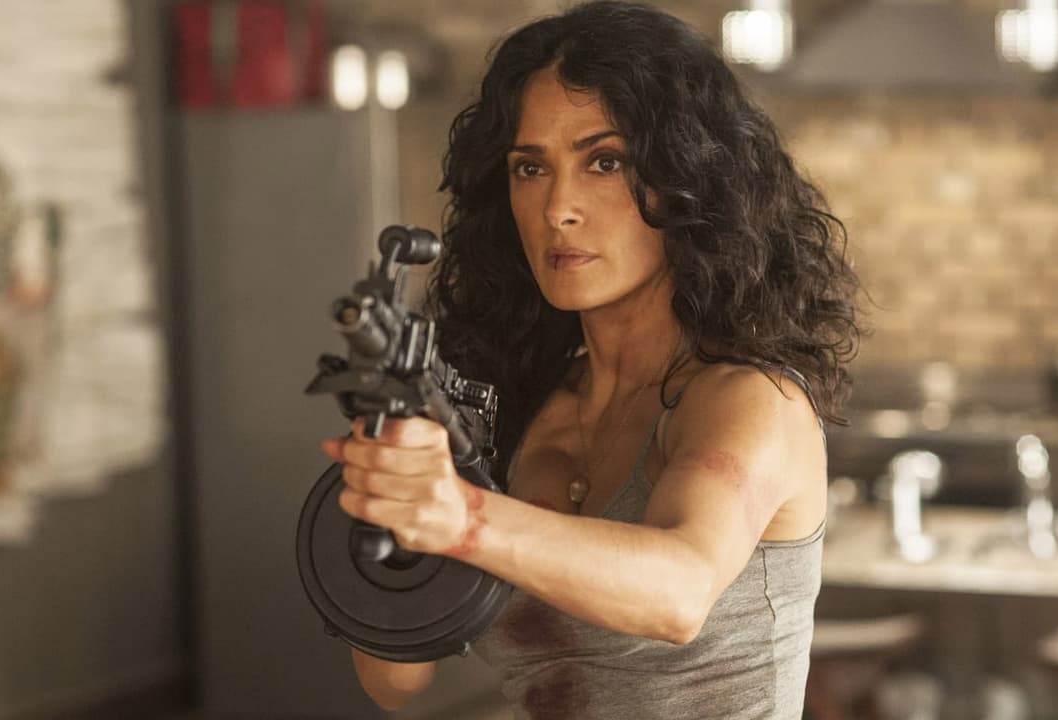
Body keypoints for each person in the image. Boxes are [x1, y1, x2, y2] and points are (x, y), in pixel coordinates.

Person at [320, 2, 861, 717]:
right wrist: (390, 506)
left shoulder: (750, 400)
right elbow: (397, 680)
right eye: (530, 168)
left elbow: (679, 593)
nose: (558, 208)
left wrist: (464, 517)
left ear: (688, 178)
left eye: (604, 162)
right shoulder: (516, 409)